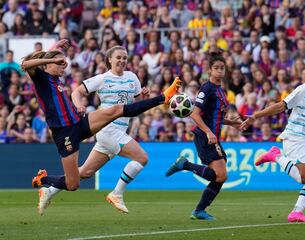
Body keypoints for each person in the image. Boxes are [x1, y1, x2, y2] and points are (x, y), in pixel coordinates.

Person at [21, 40, 181, 215]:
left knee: (116, 110)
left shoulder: (53, 77)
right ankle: (43, 180)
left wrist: (57, 48)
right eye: (60, 64)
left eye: (64, 64)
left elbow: (50, 59)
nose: (63, 67)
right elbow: (25, 64)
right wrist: (51, 57)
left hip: (78, 123)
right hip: (64, 133)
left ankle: (162, 98)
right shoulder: (41, 79)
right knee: (73, 184)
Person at [37, 46, 152, 215]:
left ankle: (49, 190)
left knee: (84, 173)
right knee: (141, 158)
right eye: (118, 57)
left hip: (121, 129)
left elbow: (133, 103)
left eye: (124, 58)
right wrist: (78, 104)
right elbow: (77, 91)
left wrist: (143, 95)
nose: (121, 61)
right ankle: (117, 193)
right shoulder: (103, 78)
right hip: (107, 129)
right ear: (109, 60)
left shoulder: (132, 77)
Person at [240, 61, 305, 223]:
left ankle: (296, 213)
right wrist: (255, 116)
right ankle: (275, 155)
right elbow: (281, 106)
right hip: (294, 136)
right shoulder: (303, 89)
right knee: (304, 178)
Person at [165, 50, 242, 220]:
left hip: (213, 136)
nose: (220, 71)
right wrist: (208, 132)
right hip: (204, 136)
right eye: (216, 68)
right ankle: (184, 165)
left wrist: (232, 123)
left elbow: (215, 117)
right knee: (221, 175)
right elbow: (195, 113)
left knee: (220, 177)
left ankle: (199, 210)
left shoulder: (220, 90)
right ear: (210, 70)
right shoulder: (207, 88)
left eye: (222, 68)